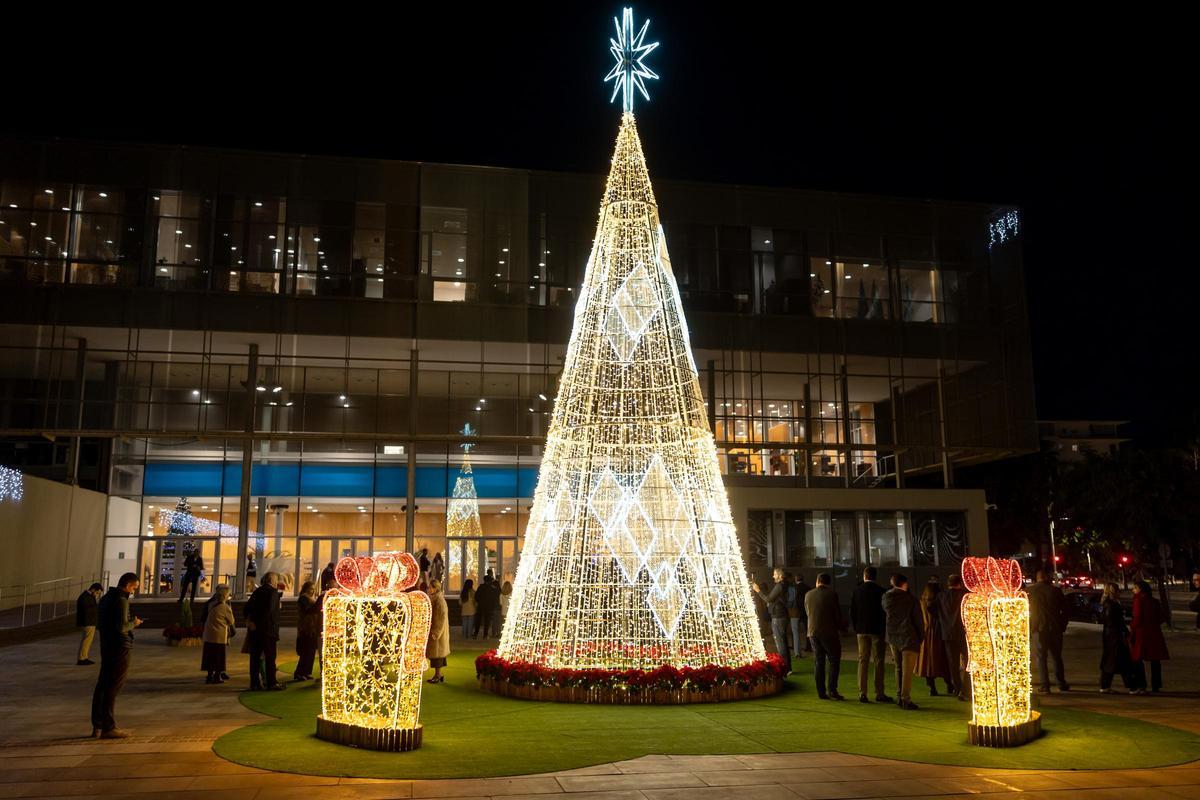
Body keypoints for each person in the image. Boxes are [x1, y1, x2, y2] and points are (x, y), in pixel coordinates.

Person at [90, 573, 143, 738]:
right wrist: (134, 623)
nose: (133, 592)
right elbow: (122, 626)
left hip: (107, 645)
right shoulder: (121, 600)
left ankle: (97, 724)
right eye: (134, 588)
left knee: (103, 685)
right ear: (127, 585)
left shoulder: (106, 599)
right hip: (120, 646)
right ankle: (109, 726)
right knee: (113, 686)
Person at [882, 573, 924, 710]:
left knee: (898, 667)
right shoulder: (911, 599)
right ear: (904, 584)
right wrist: (920, 637)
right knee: (907, 670)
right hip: (909, 637)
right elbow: (918, 620)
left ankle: (899, 696)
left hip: (893, 636)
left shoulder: (886, 598)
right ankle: (905, 699)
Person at [849, 566, 890, 703]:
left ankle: (862, 693)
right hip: (877, 630)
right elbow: (885, 612)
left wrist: (856, 627)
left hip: (861, 630)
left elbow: (852, 611)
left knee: (863, 660)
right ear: (875, 577)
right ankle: (879, 692)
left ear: (864, 576)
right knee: (879, 661)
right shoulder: (881, 591)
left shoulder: (856, 590)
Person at [1027, 569, 1070, 693]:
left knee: (1041, 657)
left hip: (1038, 628)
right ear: (1046, 577)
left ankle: (1045, 685)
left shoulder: (1030, 591)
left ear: (1037, 578)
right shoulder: (1055, 591)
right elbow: (1065, 610)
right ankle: (1061, 683)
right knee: (1057, 657)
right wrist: (1062, 625)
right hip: (1055, 628)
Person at [804, 573, 845, 699]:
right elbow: (837, 614)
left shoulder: (808, 594)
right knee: (834, 660)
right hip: (829, 632)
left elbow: (807, 612)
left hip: (812, 632)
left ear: (817, 581)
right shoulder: (832, 594)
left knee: (819, 661)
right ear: (829, 582)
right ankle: (832, 690)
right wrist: (841, 627)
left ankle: (821, 692)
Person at [244, 572, 284, 691]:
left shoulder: (257, 591)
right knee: (270, 657)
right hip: (268, 630)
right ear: (271, 580)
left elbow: (246, 608)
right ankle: (271, 682)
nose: (277, 582)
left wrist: (251, 622)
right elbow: (269, 611)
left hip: (255, 630)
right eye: (276, 579)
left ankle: (255, 683)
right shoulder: (273, 592)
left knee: (255, 658)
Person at [1129, 579, 1169, 694]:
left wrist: (1132, 626)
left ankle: (1141, 685)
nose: (1133, 590)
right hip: (1154, 633)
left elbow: (1137, 618)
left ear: (1140, 589)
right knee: (1155, 660)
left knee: (1137, 659)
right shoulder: (1154, 601)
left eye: (1135, 588)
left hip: (1141, 633)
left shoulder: (1138, 600)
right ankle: (1156, 686)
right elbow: (1161, 616)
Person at [916, 578, 952, 696]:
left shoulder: (922, 601)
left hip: (926, 634)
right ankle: (949, 685)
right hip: (938, 633)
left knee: (928, 661)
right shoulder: (939, 601)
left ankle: (932, 688)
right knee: (943, 660)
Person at [937, 574, 969, 701]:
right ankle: (965, 689)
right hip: (963, 633)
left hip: (948, 634)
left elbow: (930, 607)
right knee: (968, 662)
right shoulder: (965, 595)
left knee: (953, 664)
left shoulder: (941, 596)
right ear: (959, 583)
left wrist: (942, 620)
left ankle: (957, 687)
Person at [753, 568, 792, 670]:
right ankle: (787, 667)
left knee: (780, 643)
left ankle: (784, 667)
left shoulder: (780, 586)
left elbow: (769, 599)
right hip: (781, 615)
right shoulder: (784, 585)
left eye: (774, 574)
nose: (773, 576)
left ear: (780, 576)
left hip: (778, 616)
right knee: (783, 642)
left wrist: (758, 591)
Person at [1099, 583, 1133, 693]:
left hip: (1111, 635)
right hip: (1114, 636)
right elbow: (1114, 621)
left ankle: (1106, 685)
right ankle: (1130, 685)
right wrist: (1124, 632)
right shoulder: (1111, 604)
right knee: (1118, 659)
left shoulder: (1108, 603)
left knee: (1113, 660)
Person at [201, 584, 236, 684]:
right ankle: (217, 676)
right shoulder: (225, 607)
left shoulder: (211, 604)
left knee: (209, 656)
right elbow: (231, 621)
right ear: (225, 595)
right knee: (219, 657)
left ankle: (209, 676)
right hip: (219, 635)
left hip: (209, 634)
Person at [294, 580, 322, 681]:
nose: (312, 591)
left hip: (313, 628)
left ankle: (306, 672)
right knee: (306, 652)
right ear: (305, 589)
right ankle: (299, 673)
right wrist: (318, 603)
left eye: (313, 589)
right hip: (306, 628)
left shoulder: (311, 599)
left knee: (311, 652)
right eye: (310, 589)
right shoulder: (303, 598)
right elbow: (308, 611)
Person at [426, 579, 450, 683]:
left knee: (437, 655)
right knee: (437, 655)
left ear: (435, 588)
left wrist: (436, 632)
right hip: (437, 631)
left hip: (438, 633)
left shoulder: (439, 600)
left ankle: (437, 675)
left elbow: (441, 617)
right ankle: (438, 675)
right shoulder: (436, 599)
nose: (428, 589)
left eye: (430, 587)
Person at [75, 582, 103, 665]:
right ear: (93, 589)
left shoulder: (89, 596)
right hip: (87, 622)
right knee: (86, 640)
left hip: (90, 621)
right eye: (97, 593)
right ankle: (82, 658)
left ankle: (84, 657)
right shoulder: (85, 597)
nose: (97, 595)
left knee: (88, 641)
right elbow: (86, 610)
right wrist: (96, 607)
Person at [783, 572, 803, 661]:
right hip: (793, 611)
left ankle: (796, 652)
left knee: (794, 632)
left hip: (791, 611)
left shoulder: (789, 587)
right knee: (795, 632)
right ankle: (797, 652)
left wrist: (786, 606)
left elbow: (791, 600)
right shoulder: (792, 587)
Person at [794, 573, 813, 653]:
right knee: (807, 629)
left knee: (795, 630)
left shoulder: (795, 588)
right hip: (806, 611)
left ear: (796, 579)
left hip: (796, 611)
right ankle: (809, 646)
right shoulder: (808, 588)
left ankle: (796, 647)